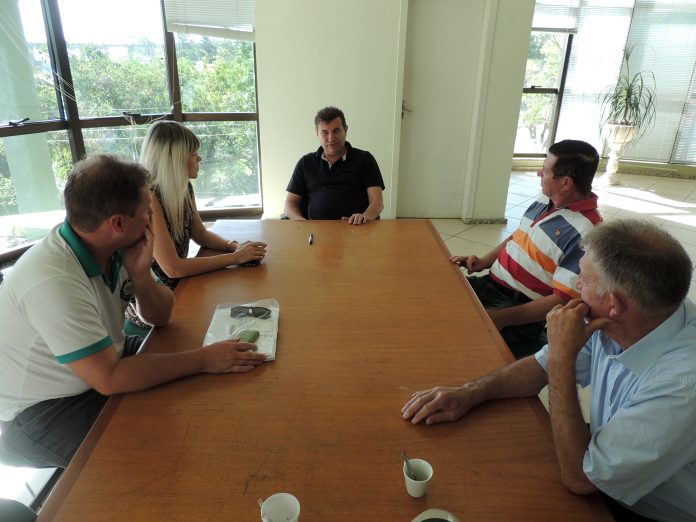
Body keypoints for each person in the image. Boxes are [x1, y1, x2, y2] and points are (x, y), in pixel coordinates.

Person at [403, 219, 696, 522]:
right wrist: (469, 393)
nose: (576, 286)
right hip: (609, 457)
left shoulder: (681, 385)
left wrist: (560, 356)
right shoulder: (637, 315)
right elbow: (539, 368)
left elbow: (581, 479)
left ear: (614, 304)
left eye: (584, 279)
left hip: (647, 508)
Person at [0, 155, 266, 468]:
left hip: (103, 363)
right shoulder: (54, 280)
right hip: (42, 411)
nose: (152, 217)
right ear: (118, 223)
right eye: (147, 211)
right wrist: (205, 359)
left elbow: (160, 317)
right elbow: (109, 379)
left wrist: (140, 276)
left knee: (194, 387)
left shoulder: (111, 247)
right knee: (151, 455)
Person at [450, 139, 602, 345]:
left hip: (517, 310)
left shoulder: (587, 232)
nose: (539, 173)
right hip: (490, 284)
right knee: (432, 298)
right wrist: (483, 262)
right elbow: (519, 236)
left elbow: (564, 298)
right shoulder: (545, 199)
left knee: (456, 339)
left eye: (545, 170)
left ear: (566, 183)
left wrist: (501, 318)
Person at [125, 120, 267, 332]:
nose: (199, 158)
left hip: (182, 288)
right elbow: (173, 268)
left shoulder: (184, 188)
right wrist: (234, 258)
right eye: (193, 153)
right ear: (174, 159)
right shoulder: (150, 198)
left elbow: (199, 233)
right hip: (155, 309)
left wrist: (233, 246)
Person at [284, 106, 385, 225]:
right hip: (315, 230)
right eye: (325, 133)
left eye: (336, 131)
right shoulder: (305, 163)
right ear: (317, 133)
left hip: (355, 229)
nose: (331, 138)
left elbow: (377, 203)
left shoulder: (365, 159)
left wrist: (364, 217)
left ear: (345, 130)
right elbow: (289, 204)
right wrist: (303, 223)